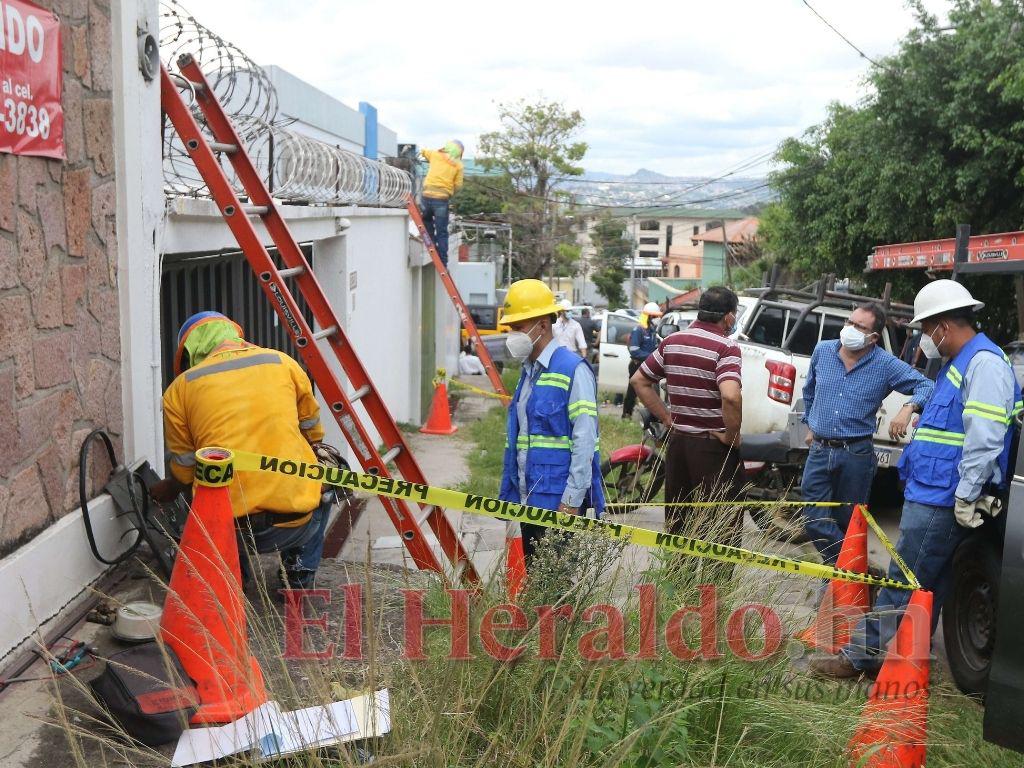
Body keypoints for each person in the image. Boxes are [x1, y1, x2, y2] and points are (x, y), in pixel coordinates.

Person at [812, 280, 1022, 678]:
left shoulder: (985, 365)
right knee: (931, 584)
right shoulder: (957, 365)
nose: (926, 338)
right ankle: (912, 658)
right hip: (931, 490)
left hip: (943, 497)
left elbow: (986, 437)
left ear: (944, 325)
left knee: (902, 579)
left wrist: (967, 494)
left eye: (927, 330)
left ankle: (859, 657)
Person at [150, 311, 331, 590]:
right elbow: (313, 432)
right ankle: (298, 577)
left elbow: (185, 471)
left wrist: (171, 486)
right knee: (329, 479)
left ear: (188, 352)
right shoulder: (283, 362)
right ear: (234, 336)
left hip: (226, 529)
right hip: (295, 521)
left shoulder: (179, 390)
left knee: (199, 486)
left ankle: (234, 576)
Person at [801, 303, 934, 566]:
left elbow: (927, 385)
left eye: (859, 327)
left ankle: (839, 585)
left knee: (849, 523)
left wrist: (908, 408)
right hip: (820, 449)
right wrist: (811, 423)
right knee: (813, 518)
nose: (850, 329)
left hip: (856, 454)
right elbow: (809, 391)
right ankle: (851, 566)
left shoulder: (885, 364)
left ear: (873, 338)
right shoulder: (823, 351)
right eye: (849, 322)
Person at [497, 280, 604, 564]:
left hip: (558, 502)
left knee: (555, 591)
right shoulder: (529, 371)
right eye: (511, 328)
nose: (513, 335)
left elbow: (585, 440)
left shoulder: (573, 370)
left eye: (518, 328)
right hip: (528, 497)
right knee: (537, 586)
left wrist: (571, 501)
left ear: (542, 325)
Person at [630, 287, 743, 538]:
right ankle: (716, 579)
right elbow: (731, 395)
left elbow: (639, 380)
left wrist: (668, 418)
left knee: (679, 526)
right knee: (721, 533)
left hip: (678, 446)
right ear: (729, 317)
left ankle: (679, 577)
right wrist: (731, 437)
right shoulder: (726, 348)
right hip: (713, 449)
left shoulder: (672, 342)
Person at [419, 140, 464, 266]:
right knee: (442, 231)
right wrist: (450, 193)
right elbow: (458, 185)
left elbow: (423, 151)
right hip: (442, 199)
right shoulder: (458, 165)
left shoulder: (434, 155)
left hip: (426, 195)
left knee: (427, 221)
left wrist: (437, 151)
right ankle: (443, 261)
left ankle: (432, 245)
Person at [622, 301, 663, 420]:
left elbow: (654, 346)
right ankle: (626, 414)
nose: (657, 319)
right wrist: (651, 355)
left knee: (652, 391)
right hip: (637, 365)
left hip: (648, 365)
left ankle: (653, 416)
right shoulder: (638, 330)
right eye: (655, 317)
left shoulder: (652, 330)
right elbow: (634, 350)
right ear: (648, 317)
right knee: (633, 391)